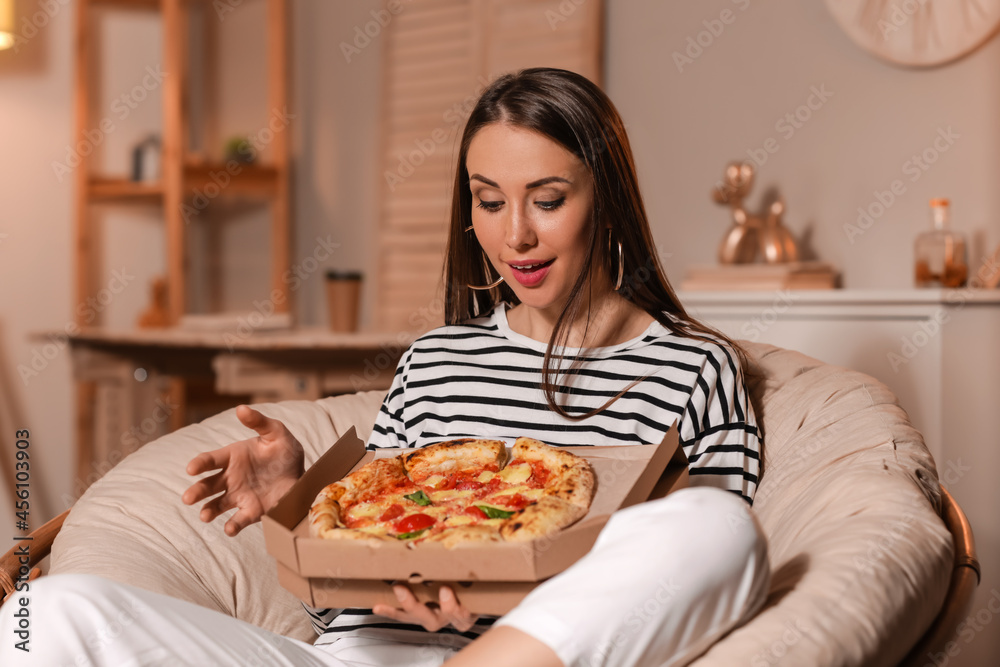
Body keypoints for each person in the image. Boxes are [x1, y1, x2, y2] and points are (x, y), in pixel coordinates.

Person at [0, 67, 768, 667]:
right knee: (50, 614)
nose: (517, 235)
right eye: (489, 201)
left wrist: (496, 601)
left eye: (549, 198)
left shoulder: (694, 366)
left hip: (535, 651)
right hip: (357, 656)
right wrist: (307, 498)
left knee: (719, 526)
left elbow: (691, 586)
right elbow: (348, 594)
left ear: (609, 201)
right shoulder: (436, 360)